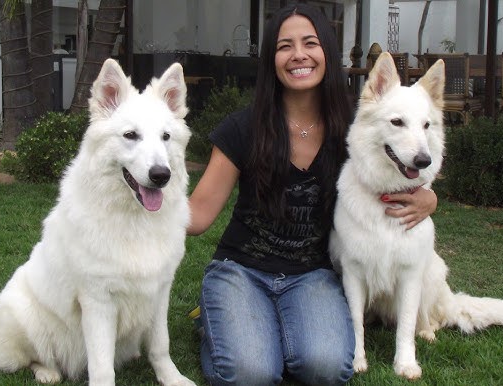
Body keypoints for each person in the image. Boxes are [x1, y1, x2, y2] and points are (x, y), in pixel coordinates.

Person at [187, 4, 438, 385]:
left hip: (311, 275)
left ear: (327, 54)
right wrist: (141, 196)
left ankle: (257, 328)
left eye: (310, 43)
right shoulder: (242, 128)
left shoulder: (349, 132)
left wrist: (429, 198)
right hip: (242, 270)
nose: (299, 54)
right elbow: (199, 215)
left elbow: (395, 171)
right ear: (271, 59)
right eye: (285, 46)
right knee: (250, 373)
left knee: (326, 368)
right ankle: (219, 321)